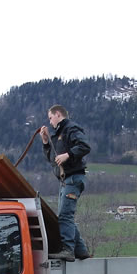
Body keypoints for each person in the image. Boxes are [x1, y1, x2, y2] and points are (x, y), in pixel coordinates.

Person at [40, 105, 90, 261]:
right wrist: (46, 142)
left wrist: (68, 155)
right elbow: (52, 159)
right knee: (65, 216)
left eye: (50, 118)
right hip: (66, 180)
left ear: (58, 114)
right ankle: (81, 250)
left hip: (73, 178)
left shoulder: (71, 129)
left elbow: (84, 146)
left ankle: (68, 250)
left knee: (65, 216)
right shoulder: (59, 134)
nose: (50, 122)